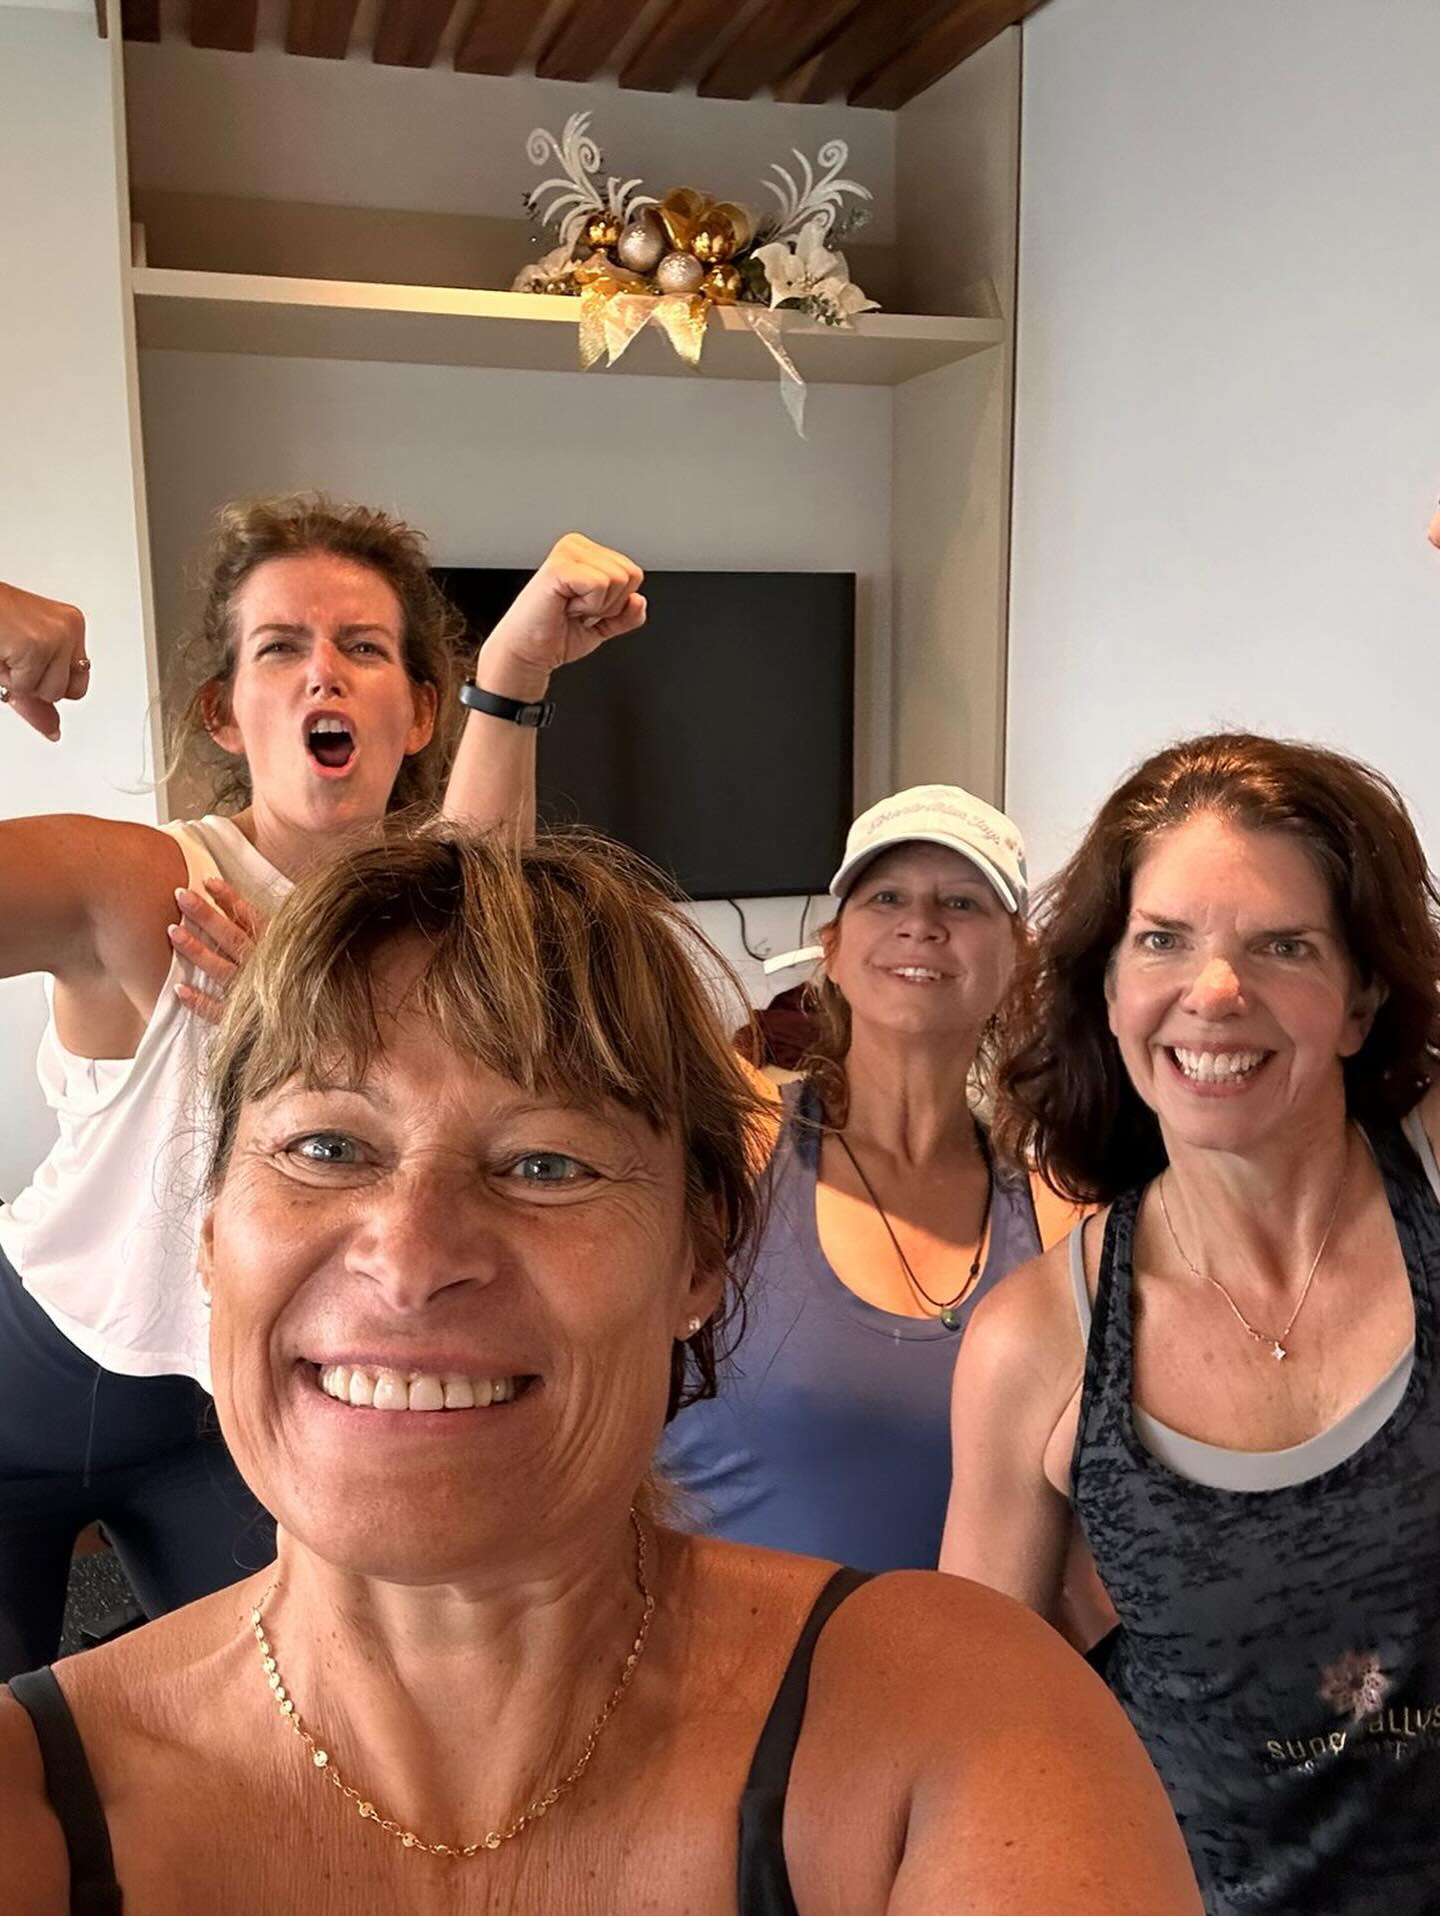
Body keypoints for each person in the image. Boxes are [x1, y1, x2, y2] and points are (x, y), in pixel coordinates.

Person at [0, 829, 1201, 1914]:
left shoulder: (958, 1729)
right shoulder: (32, 1797)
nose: (410, 1258)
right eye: (326, 1144)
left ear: (701, 1255)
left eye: (545, 1164)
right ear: (212, 1230)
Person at [0, 501, 646, 1678]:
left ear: (420, 710)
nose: (322, 674)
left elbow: (476, 928)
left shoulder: (420, 923)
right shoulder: (147, 884)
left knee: (302, 1715)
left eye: (362, 646)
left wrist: (513, 669)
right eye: (279, 647)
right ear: (225, 711)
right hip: (28, 1373)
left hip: (236, 1406)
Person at [941, 732, 1440, 1914]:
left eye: (1283, 944)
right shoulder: (1038, 1344)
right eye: (1163, 938)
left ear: (1362, 998)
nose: (1216, 990)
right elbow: (967, 1739)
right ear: (1111, 989)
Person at [663, 786, 1074, 1572]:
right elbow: (486, 929)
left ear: (1019, 958)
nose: (921, 923)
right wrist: (512, 711)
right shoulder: (739, 1143)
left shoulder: (1057, 1217)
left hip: (963, 1652)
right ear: (834, 946)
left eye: (962, 901)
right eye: (886, 897)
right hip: (719, 1650)